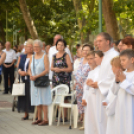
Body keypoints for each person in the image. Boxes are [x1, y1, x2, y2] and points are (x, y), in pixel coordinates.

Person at [95, 32, 119, 133]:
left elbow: (114, 76)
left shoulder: (114, 56)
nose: (97, 43)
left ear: (108, 42)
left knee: (107, 122)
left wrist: (99, 84)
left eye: (100, 41)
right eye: (97, 41)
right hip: (102, 91)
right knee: (101, 121)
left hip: (110, 93)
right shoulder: (106, 55)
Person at [106, 49, 134, 134]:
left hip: (130, 108)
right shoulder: (122, 73)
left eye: (124, 60)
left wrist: (124, 81)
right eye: (121, 60)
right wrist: (117, 81)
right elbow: (114, 92)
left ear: (132, 60)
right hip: (120, 108)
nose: (121, 62)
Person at [29, 39, 51, 126]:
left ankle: (45, 119)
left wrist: (36, 76)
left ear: (42, 47)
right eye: (34, 46)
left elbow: (47, 70)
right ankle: (39, 118)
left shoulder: (45, 56)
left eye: (38, 46)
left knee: (44, 99)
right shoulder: (32, 56)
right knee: (37, 99)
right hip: (33, 81)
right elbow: (29, 69)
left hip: (41, 80)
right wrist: (31, 75)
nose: (36, 48)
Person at [83, 51, 104, 134]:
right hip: (89, 99)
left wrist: (92, 84)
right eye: (88, 59)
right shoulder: (91, 72)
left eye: (91, 58)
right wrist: (84, 98)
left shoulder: (100, 70)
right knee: (90, 121)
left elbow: (99, 84)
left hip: (96, 98)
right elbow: (86, 87)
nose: (89, 61)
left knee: (97, 121)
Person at [74, 44, 93, 122]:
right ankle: (82, 118)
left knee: (86, 102)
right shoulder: (81, 60)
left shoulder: (91, 61)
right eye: (83, 50)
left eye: (87, 50)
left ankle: (87, 121)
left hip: (86, 85)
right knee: (80, 102)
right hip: (78, 86)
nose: (85, 52)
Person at [17, 39, 34, 120]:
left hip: (31, 80)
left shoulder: (34, 56)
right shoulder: (22, 56)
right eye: (28, 47)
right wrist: (20, 71)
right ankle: (26, 114)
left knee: (31, 97)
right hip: (23, 79)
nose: (29, 49)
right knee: (24, 96)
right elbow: (19, 66)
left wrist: (26, 73)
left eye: (31, 47)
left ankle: (36, 115)